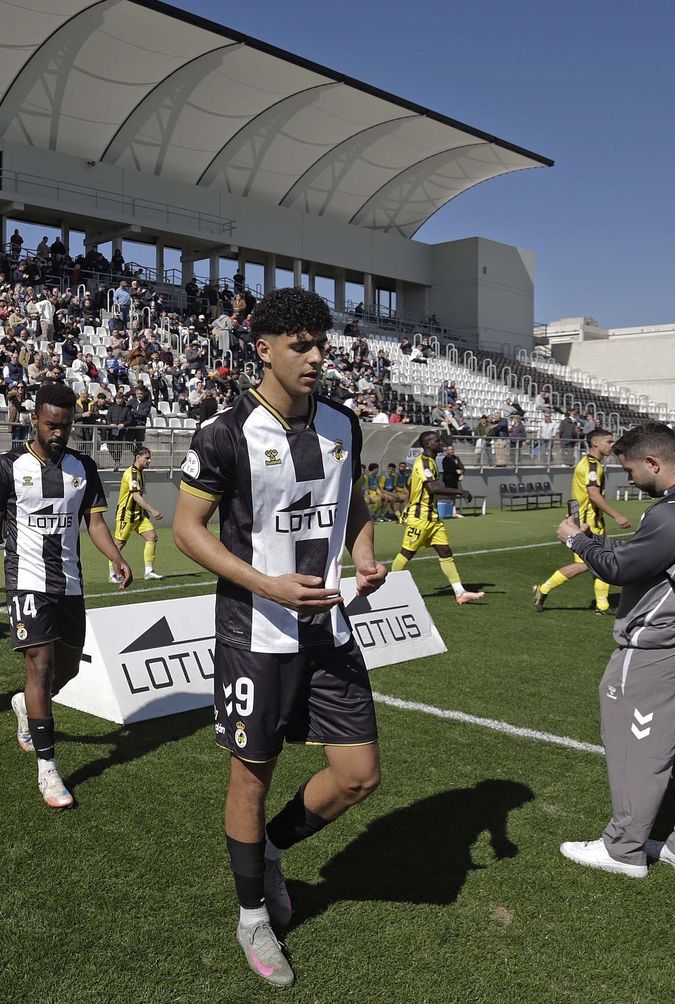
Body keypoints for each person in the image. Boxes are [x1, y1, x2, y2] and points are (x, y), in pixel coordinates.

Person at [172, 288, 386, 988]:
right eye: (301, 346)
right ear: (262, 350)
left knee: (359, 776)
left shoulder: (340, 423)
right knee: (251, 776)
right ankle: (252, 918)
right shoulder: (223, 432)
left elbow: (352, 496)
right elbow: (187, 531)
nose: (317, 357)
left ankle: (266, 852)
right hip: (254, 632)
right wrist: (267, 585)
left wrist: (361, 551)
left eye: (322, 344)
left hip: (329, 626)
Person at [555, 423, 675, 880]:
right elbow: (655, 557)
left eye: (631, 469)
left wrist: (575, 538)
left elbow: (619, 569)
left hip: (661, 643)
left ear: (654, 462)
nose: (628, 479)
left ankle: (623, 848)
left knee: (634, 743)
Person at [0, 383, 130, 809]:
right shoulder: (7, 467)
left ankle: (25, 705)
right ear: (35, 421)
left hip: (70, 584)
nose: (59, 433)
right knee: (39, 663)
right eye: (51, 425)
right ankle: (48, 768)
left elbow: (95, 523)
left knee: (68, 671)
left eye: (65, 425)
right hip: (25, 580)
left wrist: (115, 556)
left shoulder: (84, 467)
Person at [534, 429, 632, 613]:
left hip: (591, 520)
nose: (613, 445)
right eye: (609, 441)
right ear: (595, 443)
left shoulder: (591, 464)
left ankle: (602, 605)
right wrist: (617, 515)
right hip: (587, 523)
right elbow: (593, 495)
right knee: (586, 563)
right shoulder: (592, 466)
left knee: (602, 559)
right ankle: (544, 588)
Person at [389, 432, 485, 605]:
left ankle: (460, 592)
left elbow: (413, 486)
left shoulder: (431, 462)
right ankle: (388, 590)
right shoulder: (423, 462)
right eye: (436, 441)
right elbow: (432, 488)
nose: (440, 443)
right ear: (427, 444)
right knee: (407, 553)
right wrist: (460, 491)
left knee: (445, 552)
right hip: (420, 518)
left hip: (431, 516)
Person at [110, 445, 164, 582]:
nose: (149, 461)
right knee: (118, 545)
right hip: (126, 515)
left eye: (150, 458)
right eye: (147, 458)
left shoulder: (140, 473)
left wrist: (144, 511)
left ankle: (149, 571)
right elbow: (136, 497)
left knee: (152, 537)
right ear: (137, 458)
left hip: (138, 515)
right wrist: (152, 510)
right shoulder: (132, 474)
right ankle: (113, 574)